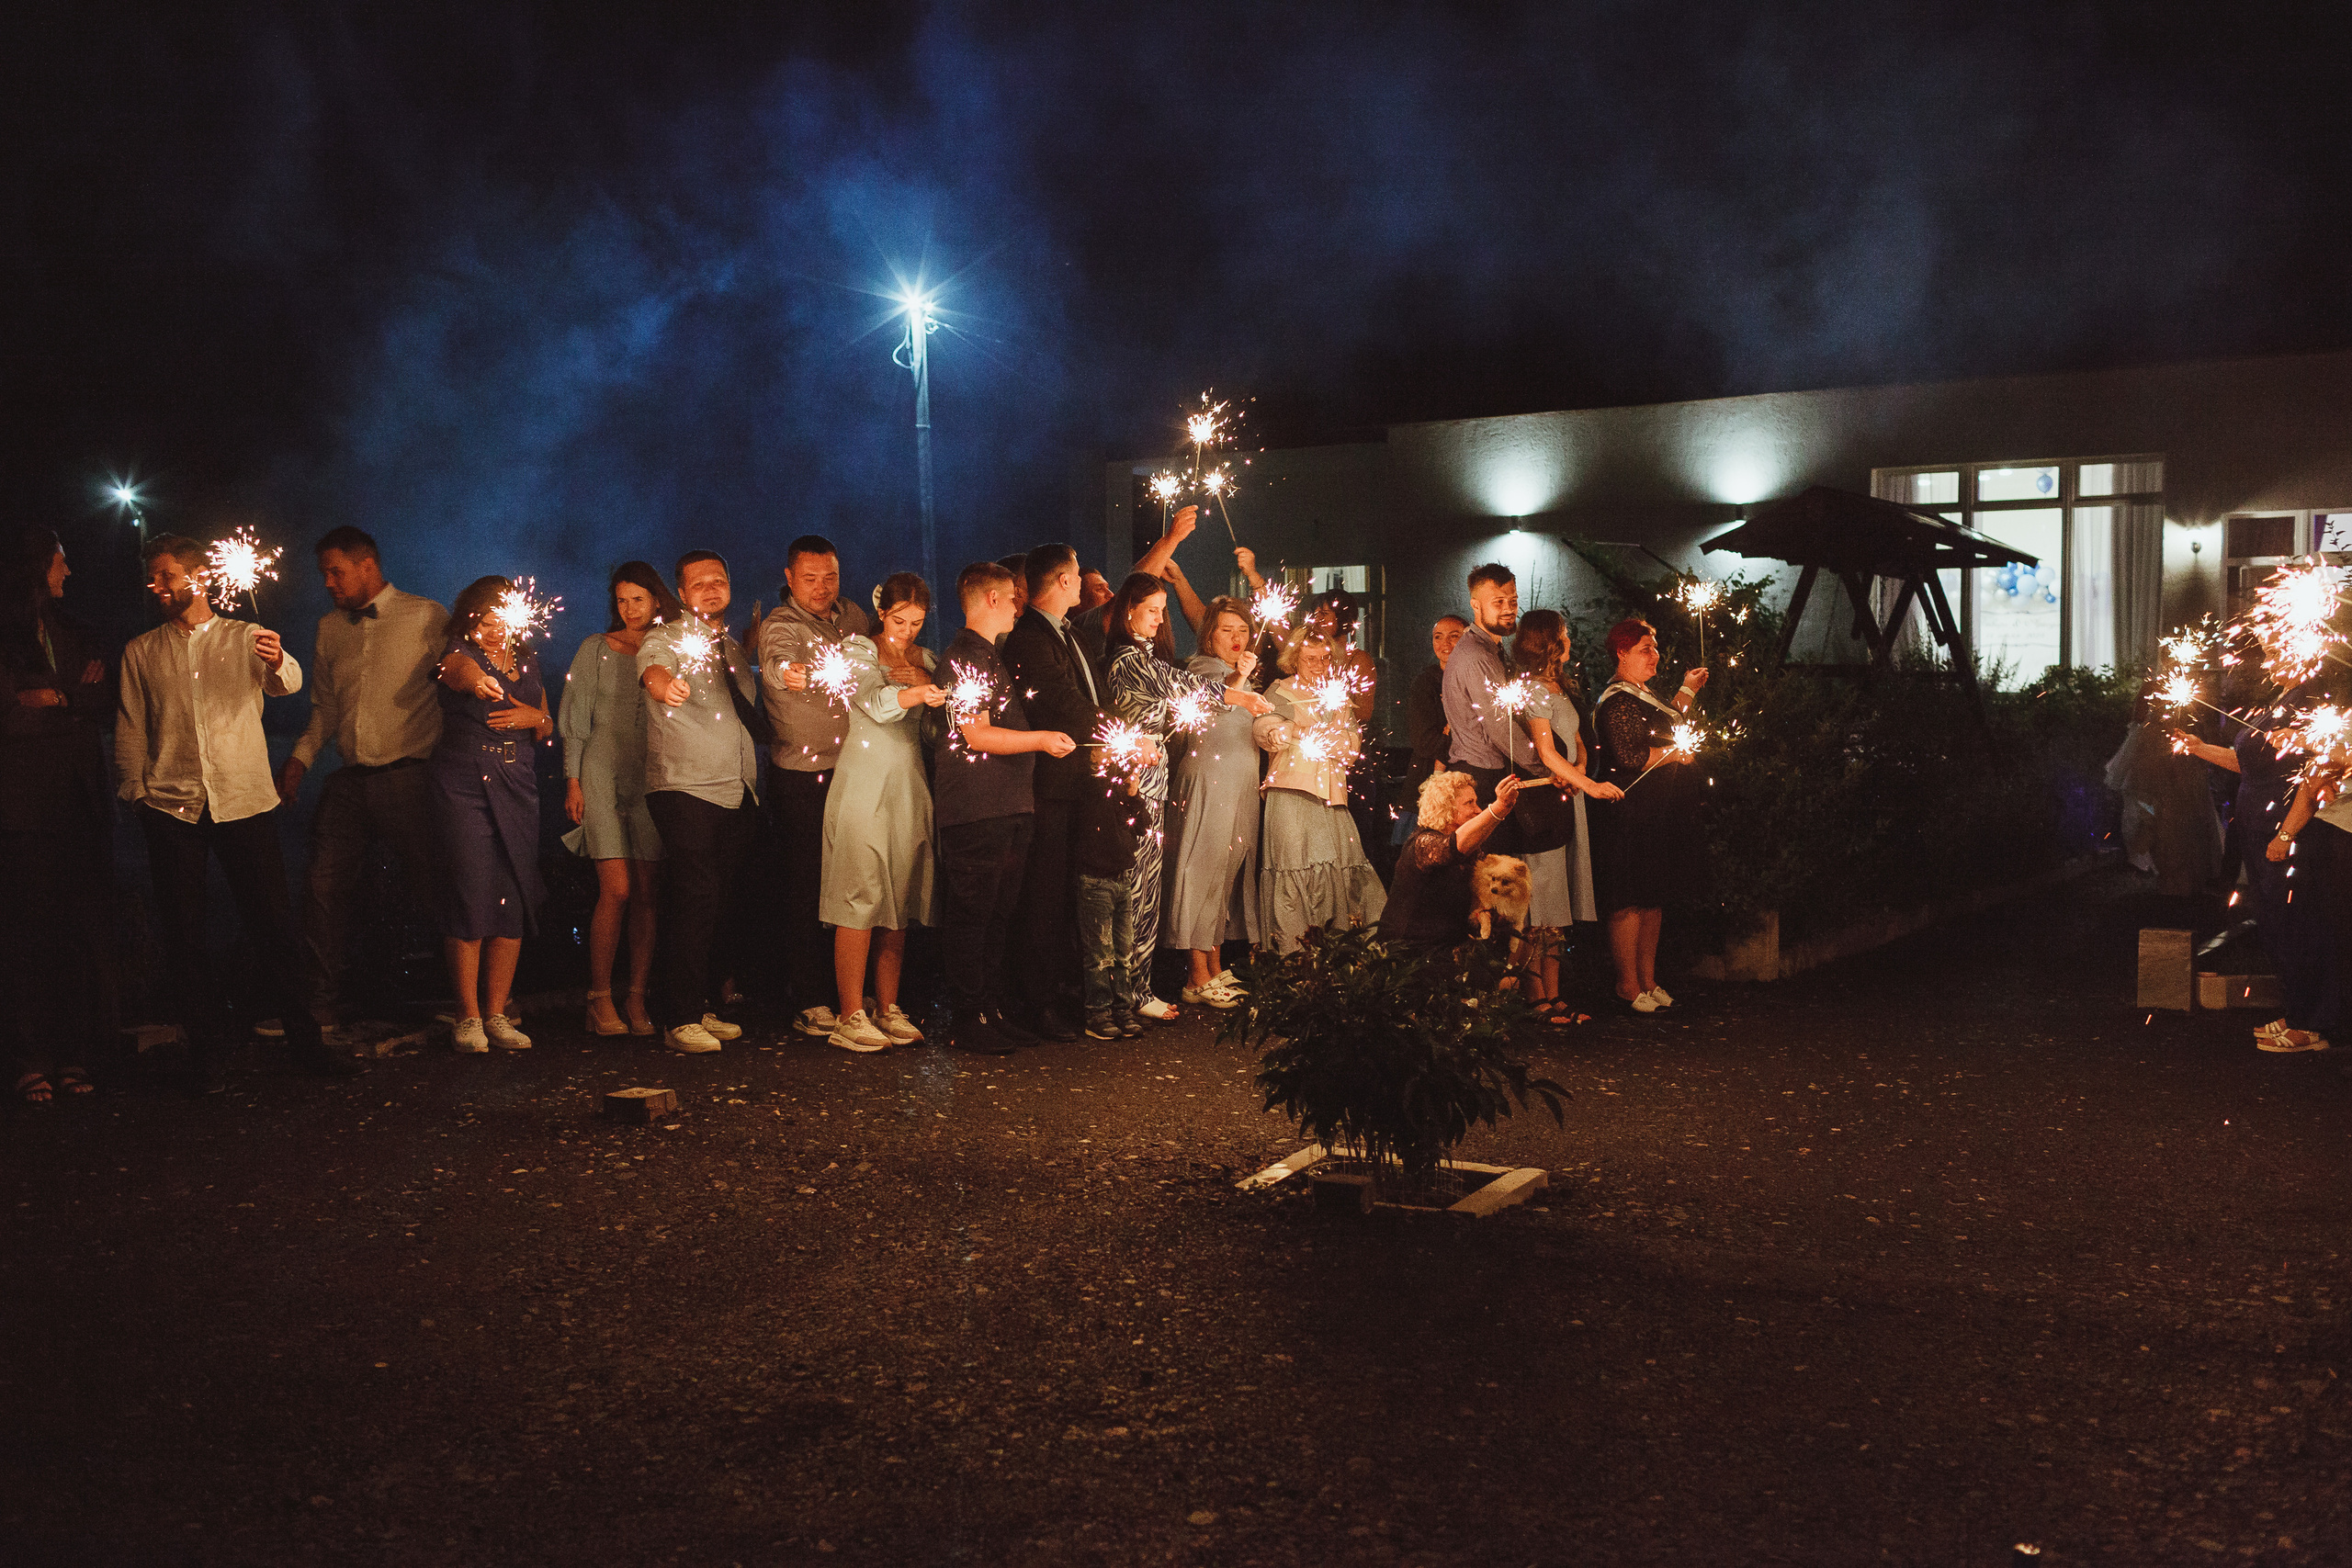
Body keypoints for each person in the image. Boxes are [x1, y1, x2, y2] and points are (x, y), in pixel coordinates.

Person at [117, 535, 360, 1092]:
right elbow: (132, 726)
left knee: (274, 924)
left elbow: (287, 684)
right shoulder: (141, 651)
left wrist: (279, 661)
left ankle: (306, 1043)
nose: (157, 586)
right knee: (185, 935)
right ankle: (208, 1053)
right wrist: (134, 794)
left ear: (199, 575)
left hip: (243, 800)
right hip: (171, 806)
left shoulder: (245, 636)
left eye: (166, 575)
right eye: (152, 578)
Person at [279, 525, 449, 1029]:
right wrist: (300, 758)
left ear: (367, 564)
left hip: (410, 775)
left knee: (433, 888)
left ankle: (464, 1000)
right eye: (323, 574)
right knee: (323, 888)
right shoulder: (328, 629)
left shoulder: (426, 615)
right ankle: (319, 1006)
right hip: (351, 779)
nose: (327, 582)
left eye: (336, 571)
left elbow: (458, 680)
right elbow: (325, 708)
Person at [1104, 569, 1272, 1023]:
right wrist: (1239, 695)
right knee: (1140, 889)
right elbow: (1188, 693)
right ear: (1129, 611)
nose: (1160, 620)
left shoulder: (1147, 657)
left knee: (1162, 885)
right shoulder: (1130, 659)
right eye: (1152, 611)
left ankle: (1145, 986)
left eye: (1163, 611)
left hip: (1158, 781)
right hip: (1141, 781)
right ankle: (1137, 989)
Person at [934, 561, 1076, 1055]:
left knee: (999, 914)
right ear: (991, 599)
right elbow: (974, 733)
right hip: (977, 810)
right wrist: (1041, 739)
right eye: (1013, 598)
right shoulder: (964, 657)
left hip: (1007, 806)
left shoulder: (990, 657)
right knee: (974, 914)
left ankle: (989, 1008)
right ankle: (968, 1016)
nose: (1020, 605)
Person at [4, 525, 115, 1105]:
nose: (67, 571)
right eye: (59, 561)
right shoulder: (7, 634)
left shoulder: (75, 629)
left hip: (80, 804)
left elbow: (98, 698)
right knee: (31, 933)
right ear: (34, 567)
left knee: (78, 932)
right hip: (25, 809)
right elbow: (7, 714)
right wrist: (54, 699)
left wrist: (53, 697)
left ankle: (75, 1053)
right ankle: (30, 1057)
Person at [817, 573, 947, 1052]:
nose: (907, 630)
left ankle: (886, 1005)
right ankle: (849, 1011)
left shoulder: (925, 660)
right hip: (865, 781)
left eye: (916, 622)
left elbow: (940, 724)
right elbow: (872, 701)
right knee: (860, 891)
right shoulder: (859, 651)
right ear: (882, 612)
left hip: (909, 784)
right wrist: (917, 692)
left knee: (901, 894)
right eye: (899, 619)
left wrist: (931, 685)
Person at [639, 551, 761, 1055]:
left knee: (720, 900)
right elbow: (653, 672)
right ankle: (679, 1017)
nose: (711, 590)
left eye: (720, 581)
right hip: (684, 785)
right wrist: (667, 688)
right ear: (682, 593)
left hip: (738, 787)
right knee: (694, 894)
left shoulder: (731, 647)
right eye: (699, 584)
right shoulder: (665, 637)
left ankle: (704, 1005)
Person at [430, 576, 554, 1053]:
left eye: (504, 618)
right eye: (487, 618)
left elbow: (545, 722)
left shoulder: (527, 658)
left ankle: (498, 1013)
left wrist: (535, 719)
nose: (496, 627)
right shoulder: (458, 652)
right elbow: (457, 672)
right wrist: (478, 681)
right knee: (471, 890)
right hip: (464, 781)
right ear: (472, 618)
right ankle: (467, 1016)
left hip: (517, 780)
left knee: (513, 891)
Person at [758, 535, 875, 1040]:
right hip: (803, 774)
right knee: (806, 883)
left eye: (831, 576)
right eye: (810, 579)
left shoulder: (852, 616)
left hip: (855, 769)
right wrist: (790, 673)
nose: (822, 587)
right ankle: (808, 998)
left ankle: (851, 989)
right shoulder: (780, 625)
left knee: (852, 881)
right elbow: (777, 663)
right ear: (789, 579)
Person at [2175, 711, 2341, 1053]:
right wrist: (2201, 748)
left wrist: (2286, 832)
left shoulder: (2313, 704)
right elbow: (2252, 766)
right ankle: (2298, 1011)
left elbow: (2316, 772)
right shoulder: (2275, 705)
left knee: (2296, 924)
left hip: (2289, 830)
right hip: (2260, 829)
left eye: (2276, 651)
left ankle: (2313, 1023)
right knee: (2274, 923)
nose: (2270, 654)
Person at [560, 562, 679, 1037]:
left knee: (648, 892)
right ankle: (599, 996)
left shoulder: (667, 648)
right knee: (618, 889)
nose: (630, 609)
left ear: (656, 601)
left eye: (639, 599)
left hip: (651, 774)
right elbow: (576, 718)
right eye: (622, 600)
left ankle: (636, 997)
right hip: (602, 771)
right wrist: (574, 781)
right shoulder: (594, 647)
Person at [1001, 542, 1107, 1041]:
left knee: (1066, 892)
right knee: (1042, 896)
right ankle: (1035, 1000)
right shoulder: (1027, 639)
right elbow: (1060, 702)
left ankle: (1062, 988)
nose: (1084, 579)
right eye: (1079, 572)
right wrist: (1117, 732)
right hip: (1046, 783)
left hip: (1076, 781)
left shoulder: (1069, 634)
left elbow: (1091, 692)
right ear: (1063, 581)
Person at [1586, 617, 1709, 1013]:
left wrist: (1688, 690)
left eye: (1655, 648)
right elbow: (1632, 756)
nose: (1654, 655)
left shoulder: (1643, 693)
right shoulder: (1618, 700)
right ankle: (1627, 983)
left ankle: (1649, 979)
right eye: (1645, 649)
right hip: (1628, 814)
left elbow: (1669, 723)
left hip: (1659, 812)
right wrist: (1675, 751)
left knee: (1653, 897)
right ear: (1622, 653)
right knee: (1630, 897)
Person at [1510, 610, 1622, 1022]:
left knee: (1559, 908)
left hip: (1568, 794)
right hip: (1545, 802)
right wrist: (1587, 785)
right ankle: (1535, 994)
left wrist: (1581, 770)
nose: (1570, 639)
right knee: (1542, 903)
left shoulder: (1560, 686)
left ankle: (1556, 994)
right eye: (1564, 634)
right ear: (1548, 641)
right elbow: (1545, 751)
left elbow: (1575, 740)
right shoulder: (1532, 691)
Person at [1253, 624, 1387, 952]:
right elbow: (1263, 728)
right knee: (1295, 875)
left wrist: (1305, 733)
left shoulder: (1336, 697)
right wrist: (1280, 732)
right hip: (1291, 797)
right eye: (1309, 657)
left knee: (1340, 873)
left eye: (1324, 658)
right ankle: (1294, 958)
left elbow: (1352, 746)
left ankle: (1337, 957)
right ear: (1294, 657)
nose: (1317, 665)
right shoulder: (1280, 691)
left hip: (1332, 802)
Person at [1163, 594, 1268, 1009]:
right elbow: (1215, 705)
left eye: (1243, 630)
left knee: (1224, 877)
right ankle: (1195, 976)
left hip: (1239, 786)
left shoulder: (1240, 675)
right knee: (1202, 873)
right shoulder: (1202, 669)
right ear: (1210, 634)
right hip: (1209, 783)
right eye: (1227, 630)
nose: (1237, 637)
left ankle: (1214, 964)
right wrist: (1239, 680)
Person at [1381, 769, 1523, 949]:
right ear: (1445, 807)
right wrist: (1500, 807)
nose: (1478, 809)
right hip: (1408, 954)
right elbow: (1455, 845)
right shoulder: (1423, 843)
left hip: (1450, 948)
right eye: (1469, 803)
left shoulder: (1472, 850)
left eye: (1476, 802)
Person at [1076, 734, 1154, 1040]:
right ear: (1092, 755)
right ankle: (1098, 1013)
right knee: (1099, 954)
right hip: (1095, 881)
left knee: (1124, 951)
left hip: (1122, 879)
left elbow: (1145, 826)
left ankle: (1123, 1009)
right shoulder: (1089, 786)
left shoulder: (1122, 788)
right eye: (1105, 749)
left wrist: (1134, 794)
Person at [1442, 563, 1521, 808]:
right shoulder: (1477, 656)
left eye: (1513, 601)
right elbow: (1500, 727)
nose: (1509, 609)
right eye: (1498, 602)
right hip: (1481, 776)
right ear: (1476, 606)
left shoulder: (1489, 647)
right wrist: (1546, 767)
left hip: (1485, 770)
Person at [1406, 615, 1468, 791]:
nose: (1445, 643)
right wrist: (1451, 735)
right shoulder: (1425, 683)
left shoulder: (1475, 679)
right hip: (1428, 776)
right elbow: (1424, 742)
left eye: (1454, 636)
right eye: (1438, 637)